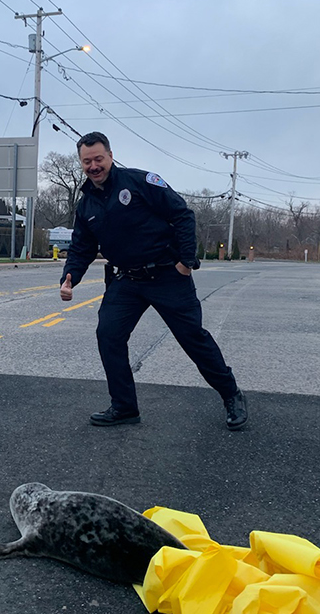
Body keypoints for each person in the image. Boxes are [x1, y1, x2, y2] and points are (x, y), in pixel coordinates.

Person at [58, 131, 248, 431]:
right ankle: (124, 406)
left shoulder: (140, 182)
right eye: (86, 161)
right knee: (109, 335)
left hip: (167, 276)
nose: (93, 166)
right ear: (81, 163)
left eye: (98, 159)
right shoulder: (86, 206)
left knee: (193, 340)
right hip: (126, 281)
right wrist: (70, 278)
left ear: (110, 156)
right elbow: (82, 247)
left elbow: (183, 215)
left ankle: (231, 394)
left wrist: (186, 262)